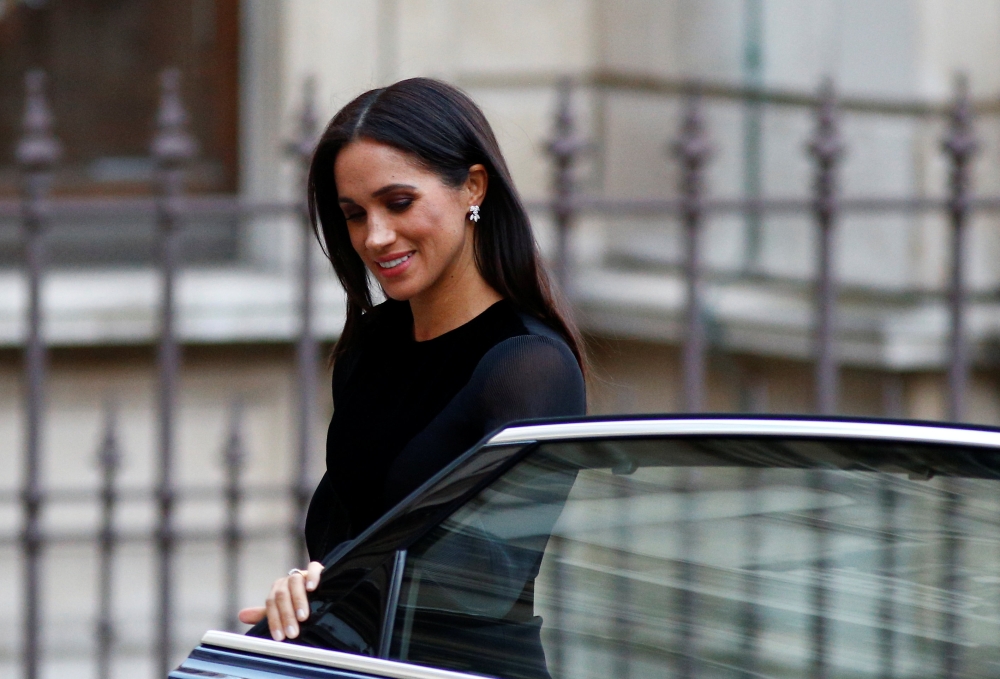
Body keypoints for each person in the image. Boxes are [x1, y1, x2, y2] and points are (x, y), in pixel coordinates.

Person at [238, 78, 586, 644]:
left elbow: (489, 578)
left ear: (473, 187)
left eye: (399, 203)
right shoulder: (372, 347)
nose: (375, 236)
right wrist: (308, 595)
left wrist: (336, 581)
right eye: (354, 214)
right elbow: (347, 536)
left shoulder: (527, 365)